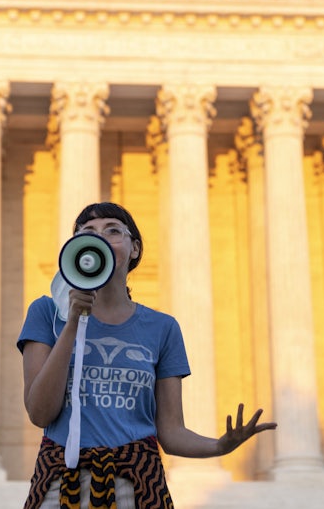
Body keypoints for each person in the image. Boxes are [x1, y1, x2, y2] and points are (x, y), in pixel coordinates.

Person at [18, 202, 276, 508]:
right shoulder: (47, 313)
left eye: (112, 230)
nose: (99, 237)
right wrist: (73, 321)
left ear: (135, 248)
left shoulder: (162, 328)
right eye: (87, 232)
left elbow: (170, 431)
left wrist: (220, 446)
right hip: (63, 485)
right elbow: (39, 412)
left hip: (136, 486)